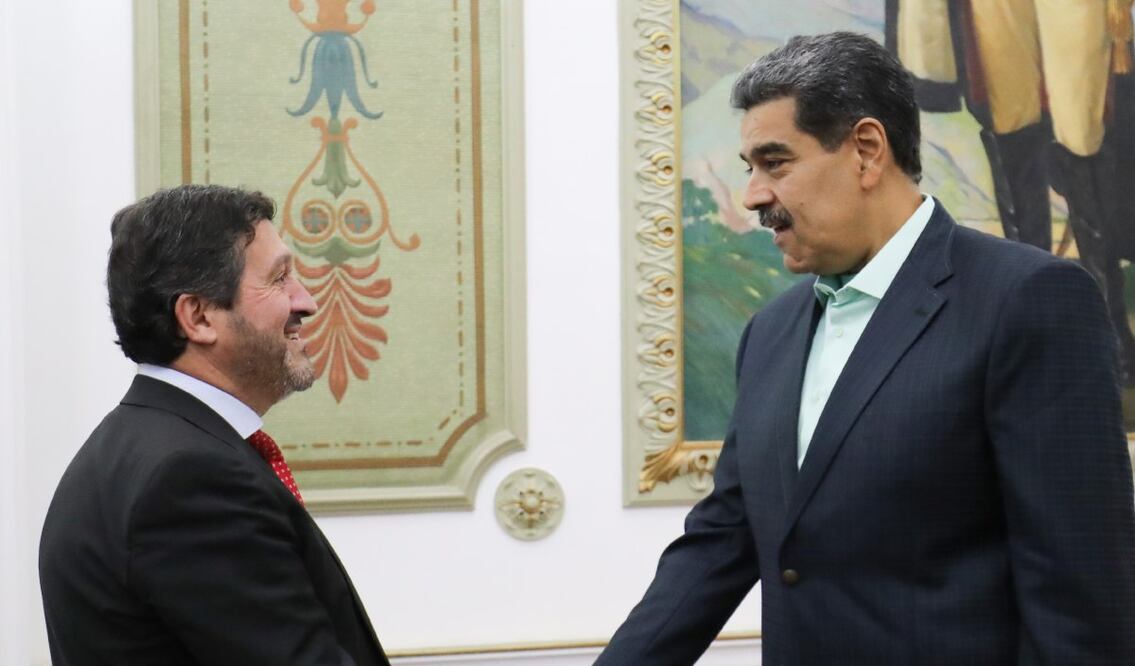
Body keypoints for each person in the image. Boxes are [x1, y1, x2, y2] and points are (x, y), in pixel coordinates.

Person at [597, 32, 1135, 665]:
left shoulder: (1030, 300)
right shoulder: (769, 332)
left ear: (866, 151)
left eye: (776, 162)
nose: (753, 195)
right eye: (750, 169)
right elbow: (721, 541)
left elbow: (1083, 596)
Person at [39, 185, 388, 665]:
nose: (305, 301)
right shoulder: (191, 478)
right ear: (199, 317)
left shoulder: (141, 446)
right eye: (280, 278)